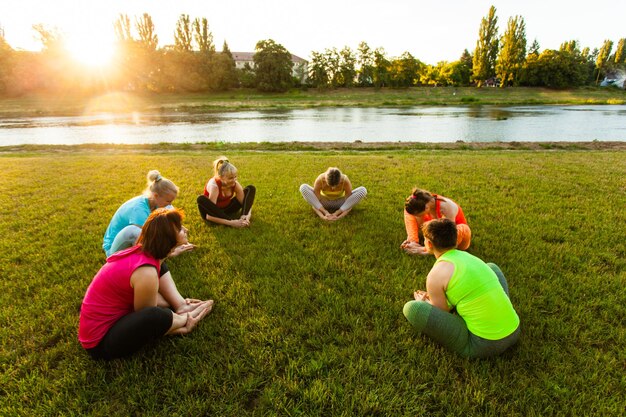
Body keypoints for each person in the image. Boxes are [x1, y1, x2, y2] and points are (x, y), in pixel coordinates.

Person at [79, 208, 214, 360]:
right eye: (180, 229)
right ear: (168, 239)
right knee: (153, 314)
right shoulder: (146, 272)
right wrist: (174, 321)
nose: (186, 229)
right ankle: (186, 318)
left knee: (159, 267)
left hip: (114, 321)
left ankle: (181, 306)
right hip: (100, 343)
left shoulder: (144, 254)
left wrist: (169, 305)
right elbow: (146, 316)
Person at [402, 219, 520, 358]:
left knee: (412, 308)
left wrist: (425, 303)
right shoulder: (471, 258)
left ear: (428, 244)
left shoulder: (435, 276)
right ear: (455, 240)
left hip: (483, 345)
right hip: (514, 330)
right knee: (491, 267)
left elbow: (443, 312)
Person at [103, 170, 179, 257]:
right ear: (156, 196)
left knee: (169, 211)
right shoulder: (139, 210)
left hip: (132, 244)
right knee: (136, 232)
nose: (170, 204)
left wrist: (179, 230)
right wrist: (172, 251)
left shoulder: (156, 203)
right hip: (114, 250)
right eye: (168, 201)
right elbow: (148, 240)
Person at [401, 188, 471, 255]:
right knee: (409, 211)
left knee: (464, 228)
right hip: (434, 229)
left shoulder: (446, 208)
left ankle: (429, 251)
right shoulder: (419, 200)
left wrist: (425, 250)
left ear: (426, 207)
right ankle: (412, 241)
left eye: (418, 215)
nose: (416, 217)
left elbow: (449, 236)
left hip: (455, 235)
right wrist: (412, 239)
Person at [197, 156, 256, 228]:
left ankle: (242, 218)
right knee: (200, 199)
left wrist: (246, 216)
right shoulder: (214, 186)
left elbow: (246, 204)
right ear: (221, 177)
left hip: (227, 209)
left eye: (235, 177)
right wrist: (231, 223)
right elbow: (210, 215)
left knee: (250, 189)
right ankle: (231, 221)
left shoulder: (235, 184)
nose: (234, 180)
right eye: (231, 178)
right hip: (214, 213)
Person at [299, 167, 367, 221]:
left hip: (340, 203)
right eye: (330, 186)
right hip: (324, 202)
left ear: (340, 180)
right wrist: (323, 215)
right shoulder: (320, 179)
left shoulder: (345, 180)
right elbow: (315, 202)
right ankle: (325, 210)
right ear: (325, 180)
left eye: (336, 186)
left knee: (363, 190)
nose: (333, 189)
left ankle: (338, 210)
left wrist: (338, 215)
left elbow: (349, 203)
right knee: (303, 187)